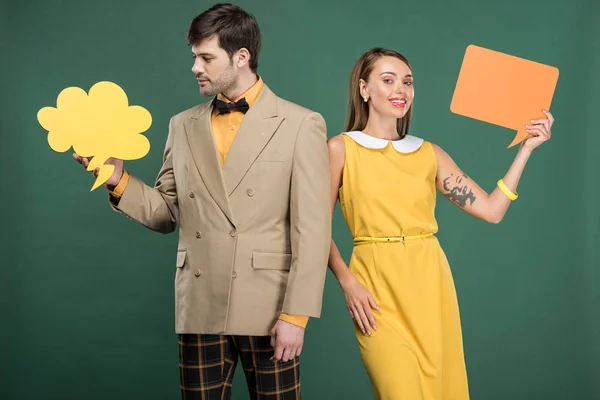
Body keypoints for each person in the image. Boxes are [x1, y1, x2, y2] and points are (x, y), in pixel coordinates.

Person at [74, 4, 331, 399]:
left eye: (206, 57)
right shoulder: (182, 124)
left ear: (241, 56)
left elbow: (312, 229)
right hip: (199, 304)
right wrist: (117, 179)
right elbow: (166, 212)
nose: (195, 66)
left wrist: (296, 315)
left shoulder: (300, 124)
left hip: (269, 307)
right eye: (194, 56)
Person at [326, 47, 553, 399]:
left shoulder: (428, 153)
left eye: (408, 82)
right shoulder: (339, 149)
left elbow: (492, 210)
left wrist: (526, 149)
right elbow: (314, 228)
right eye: (388, 80)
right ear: (364, 89)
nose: (400, 89)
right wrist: (346, 281)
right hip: (374, 286)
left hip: (430, 283)